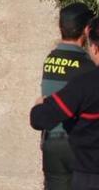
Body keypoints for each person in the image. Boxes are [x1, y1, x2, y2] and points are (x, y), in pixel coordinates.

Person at [31, 20, 99, 190]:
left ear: (95, 48)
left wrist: (41, 104)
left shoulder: (86, 84)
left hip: (89, 174)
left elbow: (40, 119)